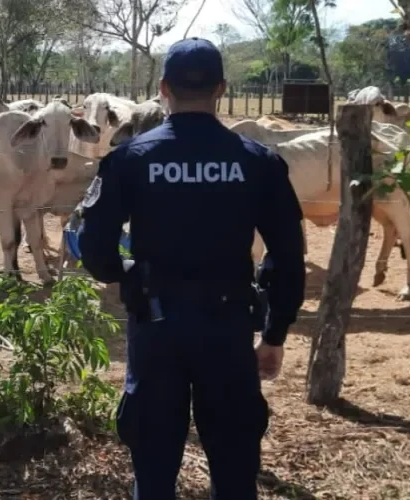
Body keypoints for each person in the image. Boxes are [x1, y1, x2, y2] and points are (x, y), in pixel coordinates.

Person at [77, 37, 306, 500]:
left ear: (164, 88)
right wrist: (275, 333)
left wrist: (126, 270)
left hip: (156, 331)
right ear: (221, 88)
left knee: (155, 469)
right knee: (235, 468)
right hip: (229, 333)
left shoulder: (129, 160)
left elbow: (94, 248)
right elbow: (287, 255)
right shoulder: (257, 162)